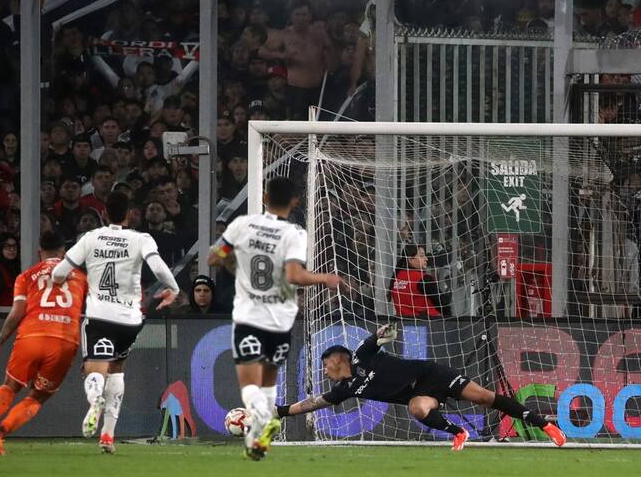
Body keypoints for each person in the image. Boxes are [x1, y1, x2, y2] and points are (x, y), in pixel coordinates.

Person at [207, 177, 341, 460]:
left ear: (265, 197)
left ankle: (264, 424)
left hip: (249, 318)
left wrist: (237, 267)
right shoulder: (294, 234)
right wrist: (325, 278)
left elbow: (213, 257)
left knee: (250, 385)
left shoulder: (241, 225)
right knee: (268, 382)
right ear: (294, 201)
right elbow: (294, 275)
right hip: (280, 321)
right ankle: (258, 441)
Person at [276, 324, 567, 451]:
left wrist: (383, 332)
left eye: (326, 365)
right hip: (421, 394)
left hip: (433, 375)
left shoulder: (360, 355)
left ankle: (547, 427)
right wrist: (282, 411)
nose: (325, 371)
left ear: (337, 359)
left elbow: (381, 335)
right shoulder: (345, 389)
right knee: (417, 408)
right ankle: (458, 433)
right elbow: (313, 403)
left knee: (486, 398)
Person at [51, 191, 180, 453]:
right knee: (117, 369)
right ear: (130, 214)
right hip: (130, 319)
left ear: (105, 213)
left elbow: (58, 272)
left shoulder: (90, 238)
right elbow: (157, 267)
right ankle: (108, 436)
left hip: (99, 316)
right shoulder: (140, 238)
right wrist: (174, 288)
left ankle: (95, 398)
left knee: (94, 370)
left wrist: (60, 282)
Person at [0, 231, 88, 455]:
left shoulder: (27, 275)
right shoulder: (81, 278)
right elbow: (89, 317)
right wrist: (89, 356)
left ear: (39, 253)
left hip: (31, 337)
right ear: (64, 253)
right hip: (64, 341)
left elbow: (16, 313)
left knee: (10, 386)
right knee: (38, 396)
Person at [391, 244, 451, 318]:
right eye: (422, 256)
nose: (426, 259)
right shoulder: (423, 279)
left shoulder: (398, 277)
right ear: (410, 259)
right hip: (425, 324)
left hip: (403, 324)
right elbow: (443, 303)